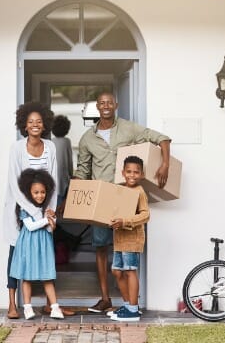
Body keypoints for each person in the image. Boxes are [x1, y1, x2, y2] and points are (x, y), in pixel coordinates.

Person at [74, 92, 171, 313]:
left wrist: (165, 164)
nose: (106, 106)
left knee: (127, 252)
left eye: (110, 102)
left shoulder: (128, 128)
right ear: (96, 107)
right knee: (101, 249)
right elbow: (82, 171)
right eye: (102, 103)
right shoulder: (87, 139)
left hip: (126, 200)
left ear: (116, 105)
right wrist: (73, 199)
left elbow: (162, 138)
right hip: (101, 201)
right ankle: (106, 298)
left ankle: (131, 304)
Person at [2, 102, 75, 319]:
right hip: (20, 210)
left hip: (44, 211)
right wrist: (33, 213)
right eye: (30, 122)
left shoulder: (50, 147)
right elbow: (14, 185)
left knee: (44, 254)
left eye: (39, 122)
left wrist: (50, 213)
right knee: (17, 254)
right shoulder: (16, 148)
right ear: (24, 125)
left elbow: (52, 182)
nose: (35, 125)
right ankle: (12, 304)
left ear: (45, 125)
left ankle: (48, 305)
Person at [9, 168, 63, 320]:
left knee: (47, 276)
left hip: (43, 244)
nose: (40, 195)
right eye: (36, 192)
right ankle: (27, 307)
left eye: (43, 192)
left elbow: (50, 228)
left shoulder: (46, 208)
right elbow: (31, 226)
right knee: (27, 276)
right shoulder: (24, 208)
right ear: (28, 192)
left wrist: (52, 225)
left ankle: (55, 307)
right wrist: (48, 220)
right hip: (29, 244)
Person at [106, 156, 150, 322]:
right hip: (119, 238)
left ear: (142, 174)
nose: (132, 175)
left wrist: (125, 221)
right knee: (117, 271)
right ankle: (128, 305)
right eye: (129, 171)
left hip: (132, 239)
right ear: (123, 173)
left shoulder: (139, 192)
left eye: (136, 172)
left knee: (130, 271)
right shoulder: (121, 190)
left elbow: (146, 215)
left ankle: (133, 309)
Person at [51, 115, 73, 206]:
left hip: (53, 178)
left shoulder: (51, 141)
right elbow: (69, 162)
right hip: (63, 178)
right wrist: (71, 175)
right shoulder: (67, 141)